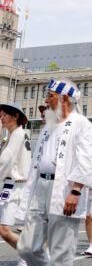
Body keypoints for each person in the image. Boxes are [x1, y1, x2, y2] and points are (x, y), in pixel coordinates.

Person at [17, 78, 92, 266]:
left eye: (50, 96)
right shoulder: (48, 127)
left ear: (64, 98)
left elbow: (85, 160)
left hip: (64, 188)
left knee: (61, 250)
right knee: (27, 246)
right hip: (41, 187)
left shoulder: (81, 123)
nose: (46, 100)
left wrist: (75, 191)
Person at [0, 102, 31, 266]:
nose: (1, 118)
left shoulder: (18, 135)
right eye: (1, 115)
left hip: (16, 187)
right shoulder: (13, 136)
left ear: (16, 116)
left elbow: (5, 161)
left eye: (4, 115)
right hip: (12, 186)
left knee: (5, 230)